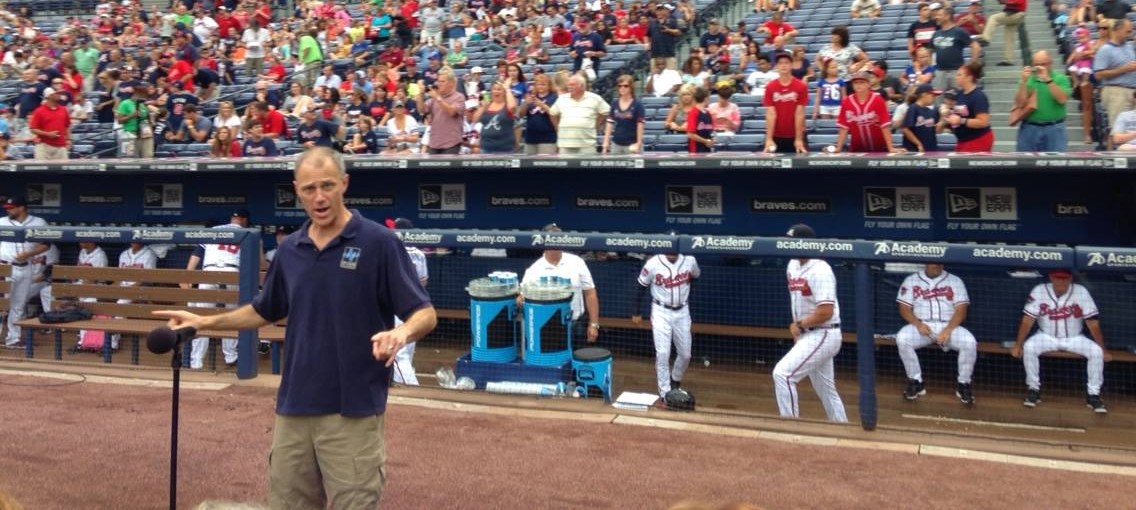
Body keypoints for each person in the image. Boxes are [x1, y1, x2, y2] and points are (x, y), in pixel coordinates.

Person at [155, 148, 438, 507]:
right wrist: (205, 322)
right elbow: (263, 310)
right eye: (309, 189)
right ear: (296, 190)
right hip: (295, 406)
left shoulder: (379, 242)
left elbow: (425, 313)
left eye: (327, 186)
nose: (318, 197)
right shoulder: (291, 251)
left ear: (344, 184)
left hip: (352, 409)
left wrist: (401, 333)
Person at [772, 224, 847, 423]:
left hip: (824, 332)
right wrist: (800, 331)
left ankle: (791, 428)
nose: (788, 247)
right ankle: (842, 427)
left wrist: (800, 325)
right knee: (826, 390)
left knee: (783, 374)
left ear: (806, 244)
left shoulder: (820, 269)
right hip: (808, 333)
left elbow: (825, 312)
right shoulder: (792, 265)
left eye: (792, 243)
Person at [1011, 269, 1110, 413]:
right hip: (1046, 337)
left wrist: (1104, 350)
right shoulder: (1039, 290)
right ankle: (1034, 390)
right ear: (1051, 278)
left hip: (1074, 338)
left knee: (1096, 352)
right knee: (1029, 347)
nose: (1062, 281)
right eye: (1058, 278)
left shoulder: (1081, 291)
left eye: (1065, 278)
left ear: (1070, 279)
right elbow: (1027, 320)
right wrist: (1018, 345)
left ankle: (1093, 395)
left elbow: (1092, 322)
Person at [894, 263, 977, 405]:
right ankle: (915, 381)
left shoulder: (955, 281)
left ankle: (964, 383)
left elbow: (961, 310)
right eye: (934, 263)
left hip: (949, 326)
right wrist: (917, 324)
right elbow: (904, 308)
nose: (937, 266)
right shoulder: (911, 280)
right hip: (923, 326)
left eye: (940, 263)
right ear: (926, 263)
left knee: (970, 342)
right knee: (902, 338)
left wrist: (948, 329)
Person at [184, 210, 256, 371]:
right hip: (231, 274)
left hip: (208, 273)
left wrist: (187, 275)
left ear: (232, 219)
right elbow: (258, 264)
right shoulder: (248, 232)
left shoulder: (214, 230)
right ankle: (230, 355)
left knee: (202, 318)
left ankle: (196, 362)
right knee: (231, 316)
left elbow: (197, 254)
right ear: (243, 220)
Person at [632, 247, 700, 399]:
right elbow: (640, 287)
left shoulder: (690, 261)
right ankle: (665, 393)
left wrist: (687, 295)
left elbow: (695, 277)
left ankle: (675, 379)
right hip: (660, 311)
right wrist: (636, 312)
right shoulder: (653, 263)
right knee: (662, 354)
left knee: (686, 354)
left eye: (675, 248)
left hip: (682, 311)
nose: (672, 252)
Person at [517, 223, 600, 344]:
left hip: (575, 324)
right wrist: (520, 299)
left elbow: (590, 293)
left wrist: (594, 324)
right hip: (547, 327)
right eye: (553, 239)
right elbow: (522, 296)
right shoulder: (534, 270)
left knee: (577, 362)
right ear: (544, 242)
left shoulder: (577, 262)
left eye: (559, 238)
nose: (556, 243)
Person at [0, 195, 49, 349]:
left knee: (18, 305)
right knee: (2, 305)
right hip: (5, 266)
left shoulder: (38, 222)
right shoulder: (1, 222)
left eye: (11, 208)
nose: (8, 211)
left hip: (26, 266)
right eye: (7, 208)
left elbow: (46, 244)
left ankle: (13, 339)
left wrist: (28, 254)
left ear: (22, 208)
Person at [385, 218, 428, 386]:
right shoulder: (419, 253)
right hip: (415, 307)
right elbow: (423, 282)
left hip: (395, 306)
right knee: (407, 350)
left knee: (399, 353)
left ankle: (411, 388)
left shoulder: (391, 251)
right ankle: (403, 383)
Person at [1015, 51, 1071, 152]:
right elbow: (1020, 104)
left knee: (1056, 163)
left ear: (1050, 63)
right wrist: (1023, 82)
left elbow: (1062, 99)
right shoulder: (1028, 79)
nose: (1039, 67)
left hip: (1054, 129)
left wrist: (1047, 79)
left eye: (1043, 64)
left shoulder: (1060, 78)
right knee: (1026, 164)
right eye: (1036, 64)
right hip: (1029, 128)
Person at [1093, 17, 1136, 144]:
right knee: (1117, 130)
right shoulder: (1105, 50)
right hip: (1116, 91)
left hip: (1132, 92)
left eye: (1131, 31)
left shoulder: (1128, 46)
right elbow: (1098, 75)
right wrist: (1123, 69)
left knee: (1130, 129)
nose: (1130, 34)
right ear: (1117, 30)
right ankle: (1112, 160)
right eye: (1127, 32)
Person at [834, 72, 900, 153]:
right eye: (855, 83)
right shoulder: (847, 102)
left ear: (869, 84)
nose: (858, 85)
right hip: (857, 149)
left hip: (879, 148)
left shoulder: (878, 100)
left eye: (862, 82)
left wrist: (891, 148)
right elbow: (843, 128)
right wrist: (838, 148)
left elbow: (884, 125)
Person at [549, 75, 610, 155]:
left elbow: (606, 111)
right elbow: (552, 113)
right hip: (565, 144)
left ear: (581, 86)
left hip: (587, 145)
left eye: (572, 85)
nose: (569, 87)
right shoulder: (562, 99)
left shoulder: (595, 98)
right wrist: (557, 127)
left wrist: (596, 125)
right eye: (568, 84)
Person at [764, 53, 808, 154]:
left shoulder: (801, 86)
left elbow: (799, 114)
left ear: (792, 65)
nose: (783, 65)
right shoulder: (770, 87)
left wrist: (798, 139)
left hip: (795, 135)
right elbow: (771, 114)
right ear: (776, 66)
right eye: (780, 63)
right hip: (776, 135)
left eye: (786, 63)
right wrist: (769, 138)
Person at [930, 6, 981, 92]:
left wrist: (972, 64)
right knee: (938, 100)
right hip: (940, 71)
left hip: (956, 71)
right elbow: (929, 51)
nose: (936, 17)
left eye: (939, 15)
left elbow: (976, 46)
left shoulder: (959, 31)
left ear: (947, 16)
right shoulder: (936, 33)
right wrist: (931, 68)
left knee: (959, 99)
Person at [946, 61, 993, 152]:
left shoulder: (978, 96)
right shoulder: (960, 94)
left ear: (969, 77)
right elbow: (960, 113)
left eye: (959, 75)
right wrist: (949, 113)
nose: (956, 77)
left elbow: (983, 122)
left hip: (978, 139)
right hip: (963, 140)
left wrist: (961, 121)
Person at [418, 68, 466, 154]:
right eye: (438, 81)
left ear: (451, 83)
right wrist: (420, 95)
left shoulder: (459, 97)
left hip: (451, 143)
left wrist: (437, 98)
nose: (439, 84)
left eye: (442, 81)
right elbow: (422, 110)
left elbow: (452, 112)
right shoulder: (434, 98)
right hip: (434, 143)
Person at [603, 75, 645, 154]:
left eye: (625, 86)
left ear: (631, 87)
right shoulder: (614, 103)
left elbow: (640, 125)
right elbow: (609, 123)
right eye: (620, 86)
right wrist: (606, 141)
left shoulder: (638, 105)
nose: (622, 88)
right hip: (616, 143)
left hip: (632, 143)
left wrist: (639, 143)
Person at [976, 0, 1026, 66]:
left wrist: (1005, 1)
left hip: (1017, 13)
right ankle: (1008, 60)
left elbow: (1016, 2)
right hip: (1014, 13)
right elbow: (1003, 2)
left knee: (993, 18)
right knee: (1009, 36)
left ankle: (986, 38)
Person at [520, 72, 559, 154]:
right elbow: (521, 115)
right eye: (538, 84)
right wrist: (525, 104)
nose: (540, 86)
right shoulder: (531, 96)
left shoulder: (554, 97)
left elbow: (555, 114)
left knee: (545, 163)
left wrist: (543, 105)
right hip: (531, 137)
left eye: (543, 84)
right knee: (528, 163)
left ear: (549, 86)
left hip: (548, 138)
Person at [476, 82, 518, 154]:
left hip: (504, 149)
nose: (496, 91)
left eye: (499, 89)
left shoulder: (507, 105)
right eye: (494, 89)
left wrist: (507, 89)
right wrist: (482, 108)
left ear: (504, 92)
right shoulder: (486, 104)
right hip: (485, 148)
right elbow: (475, 119)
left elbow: (512, 107)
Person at [28, 87, 70, 160]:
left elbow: (67, 126)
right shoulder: (39, 111)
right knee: (42, 169)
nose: (59, 95)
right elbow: (33, 129)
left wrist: (69, 139)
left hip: (61, 146)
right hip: (44, 146)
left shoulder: (63, 109)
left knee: (62, 170)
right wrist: (48, 134)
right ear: (49, 96)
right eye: (56, 93)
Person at [116, 82, 154, 158]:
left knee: (148, 156)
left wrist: (151, 120)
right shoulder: (125, 103)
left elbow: (147, 119)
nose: (145, 95)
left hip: (145, 133)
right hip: (130, 133)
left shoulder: (143, 105)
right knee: (130, 157)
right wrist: (131, 115)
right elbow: (119, 121)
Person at [901, 84, 943, 152]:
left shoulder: (931, 111)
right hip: (914, 150)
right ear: (924, 94)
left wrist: (942, 118)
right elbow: (905, 129)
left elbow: (937, 130)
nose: (934, 98)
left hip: (930, 148)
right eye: (932, 95)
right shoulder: (913, 108)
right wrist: (918, 144)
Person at [686, 86, 715, 153]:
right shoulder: (693, 113)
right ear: (705, 99)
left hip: (707, 150)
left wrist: (712, 140)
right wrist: (706, 141)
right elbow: (690, 134)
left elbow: (711, 131)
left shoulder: (708, 113)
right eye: (709, 98)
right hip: (696, 150)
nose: (709, 100)